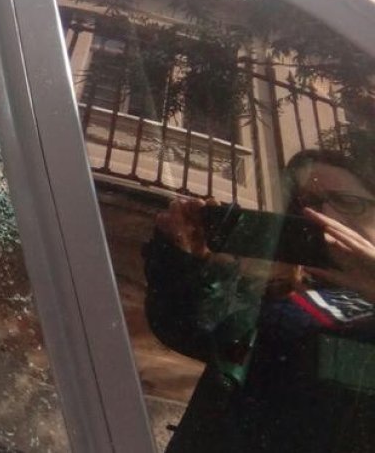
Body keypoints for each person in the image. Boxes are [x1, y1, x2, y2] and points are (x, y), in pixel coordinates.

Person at [146, 148, 375, 452]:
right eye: (308, 204)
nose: (327, 217)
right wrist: (183, 259)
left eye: (348, 203)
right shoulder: (275, 287)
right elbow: (187, 329)